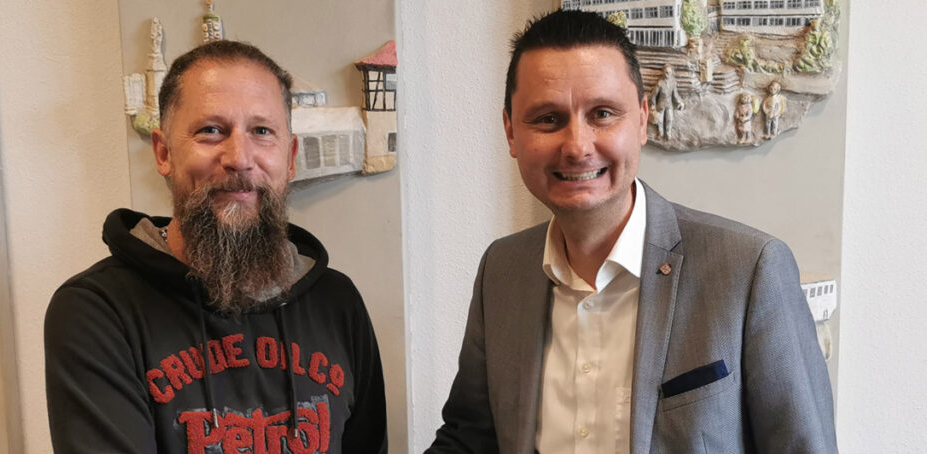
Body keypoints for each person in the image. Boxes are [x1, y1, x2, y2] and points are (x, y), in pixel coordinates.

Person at [427, 10, 836, 454]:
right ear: (510, 132)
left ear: (642, 119)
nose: (577, 146)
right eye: (547, 119)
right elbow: (469, 439)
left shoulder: (749, 270)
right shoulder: (501, 269)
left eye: (602, 114)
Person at [44, 40, 387, 453]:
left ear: (290, 158)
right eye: (211, 130)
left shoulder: (338, 303)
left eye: (262, 131)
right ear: (164, 152)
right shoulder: (97, 312)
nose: (239, 158)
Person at [649, 64, 684, 140]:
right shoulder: (660, 83)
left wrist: (680, 102)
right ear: (663, 72)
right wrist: (653, 105)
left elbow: (675, 94)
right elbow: (654, 95)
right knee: (660, 120)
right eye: (666, 72)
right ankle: (660, 134)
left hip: (669, 104)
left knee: (670, 119)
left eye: (669, 72)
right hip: (661, 104)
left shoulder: (672, 83)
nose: (668, 74)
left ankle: (668, 134)